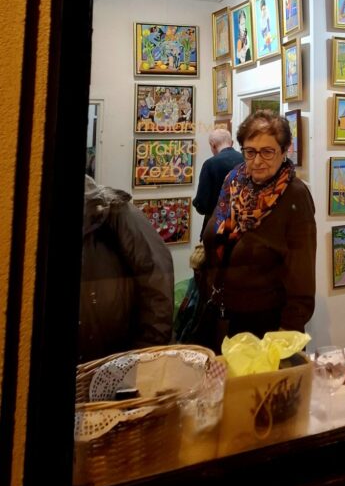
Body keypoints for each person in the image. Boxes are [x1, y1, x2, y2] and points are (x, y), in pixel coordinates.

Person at [202, 110, 316, 347]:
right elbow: (217, 233)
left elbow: (302, 276)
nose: (257, 161)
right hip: (225, 315)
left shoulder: (294, 194)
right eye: (250, 151)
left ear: (284, 151)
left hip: (270, 326)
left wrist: (284, 337)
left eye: (267, 152)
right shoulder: (234, 182)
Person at [79, 176, 174, 363]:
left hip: (125, 359)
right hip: (95, 361)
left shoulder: (116, 213)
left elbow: (157, 279)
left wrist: (143, 356)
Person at [193, 128, 243, 234]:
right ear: (232, 143)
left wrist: (196, 204)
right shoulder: (245, 160)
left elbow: (202, 205)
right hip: (241, 225)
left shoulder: (210, 164)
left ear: (213, 145)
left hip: (216, 225)